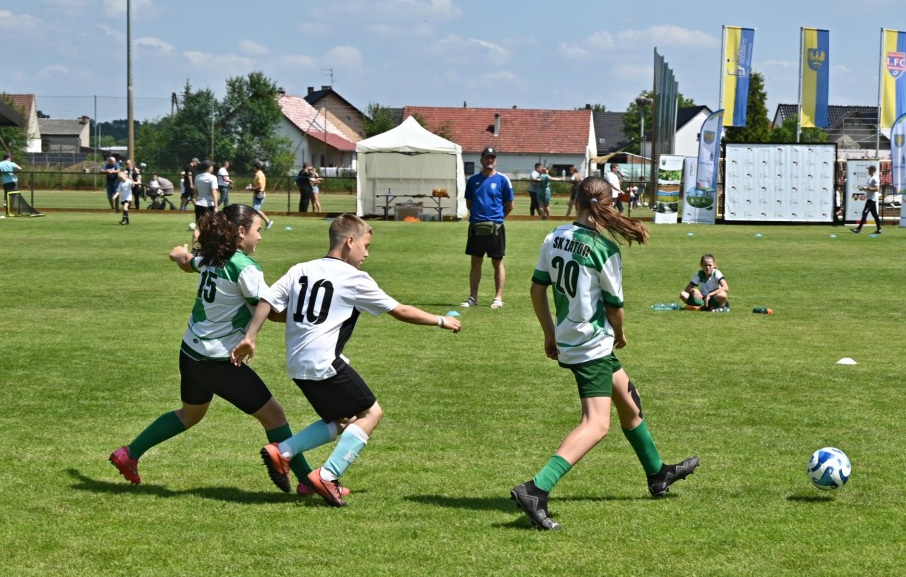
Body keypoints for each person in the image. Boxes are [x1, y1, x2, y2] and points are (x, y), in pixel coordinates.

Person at [230, 213, 462, 506]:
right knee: (371, 413)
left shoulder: (300, 269)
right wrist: (441, 320)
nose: (367, 254)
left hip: (297, 364)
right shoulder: (353, 278)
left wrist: (251, 336)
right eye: (366, 246)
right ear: (350, 241)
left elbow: (267, 300)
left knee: (343, 419)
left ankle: (283, 451)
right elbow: (400, 310)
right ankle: (328, 476)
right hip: (323, 362)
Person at [510, 176, 699, 530]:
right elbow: (615, 308)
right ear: (608, 205)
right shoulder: (604, 250)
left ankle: (658, 473)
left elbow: (537, 290)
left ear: (577, 201)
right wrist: (621, 334)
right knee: (596, 424)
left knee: (629, 401)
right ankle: (536, 489)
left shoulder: (554, 237)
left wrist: (550, 334)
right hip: (591, 344)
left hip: (570, 339)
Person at [108, 204, 315, 490]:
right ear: (241, 232)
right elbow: (268, 310)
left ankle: (129, 454)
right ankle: (308, 480)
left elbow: (186, 261)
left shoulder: (211, 256)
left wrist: (178, 254)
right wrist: (309, 316)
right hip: (217, 361)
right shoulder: (244, 267)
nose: (260, 236)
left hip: (191, 354)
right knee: (274, 416)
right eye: (257, 230)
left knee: (189, 414)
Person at [461, 146, 514, 310]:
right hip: (476, 227)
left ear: (495, 160)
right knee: (475, 262)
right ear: (481, 159)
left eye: (492, 157)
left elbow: (509, 205)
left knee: (497, 262)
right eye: (486, 157)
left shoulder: (503, 180)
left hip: (496, 227)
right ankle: (473, 297)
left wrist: (497, 219)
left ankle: (498, 298)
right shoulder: (472, 180)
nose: (489, 160)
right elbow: (469, 203)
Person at [851, 165, 881, 234]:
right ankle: (879, 229)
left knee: (864, 213)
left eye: (869, 169)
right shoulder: (870, 178)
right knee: (875, 215)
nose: (868, 171)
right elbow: (868, 189)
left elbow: (877, 189)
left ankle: (858, 229)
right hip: (870, 198)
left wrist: (867, 188)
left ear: (873, 170)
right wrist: (862, 188)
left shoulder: (875, 178)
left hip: (872, 199)